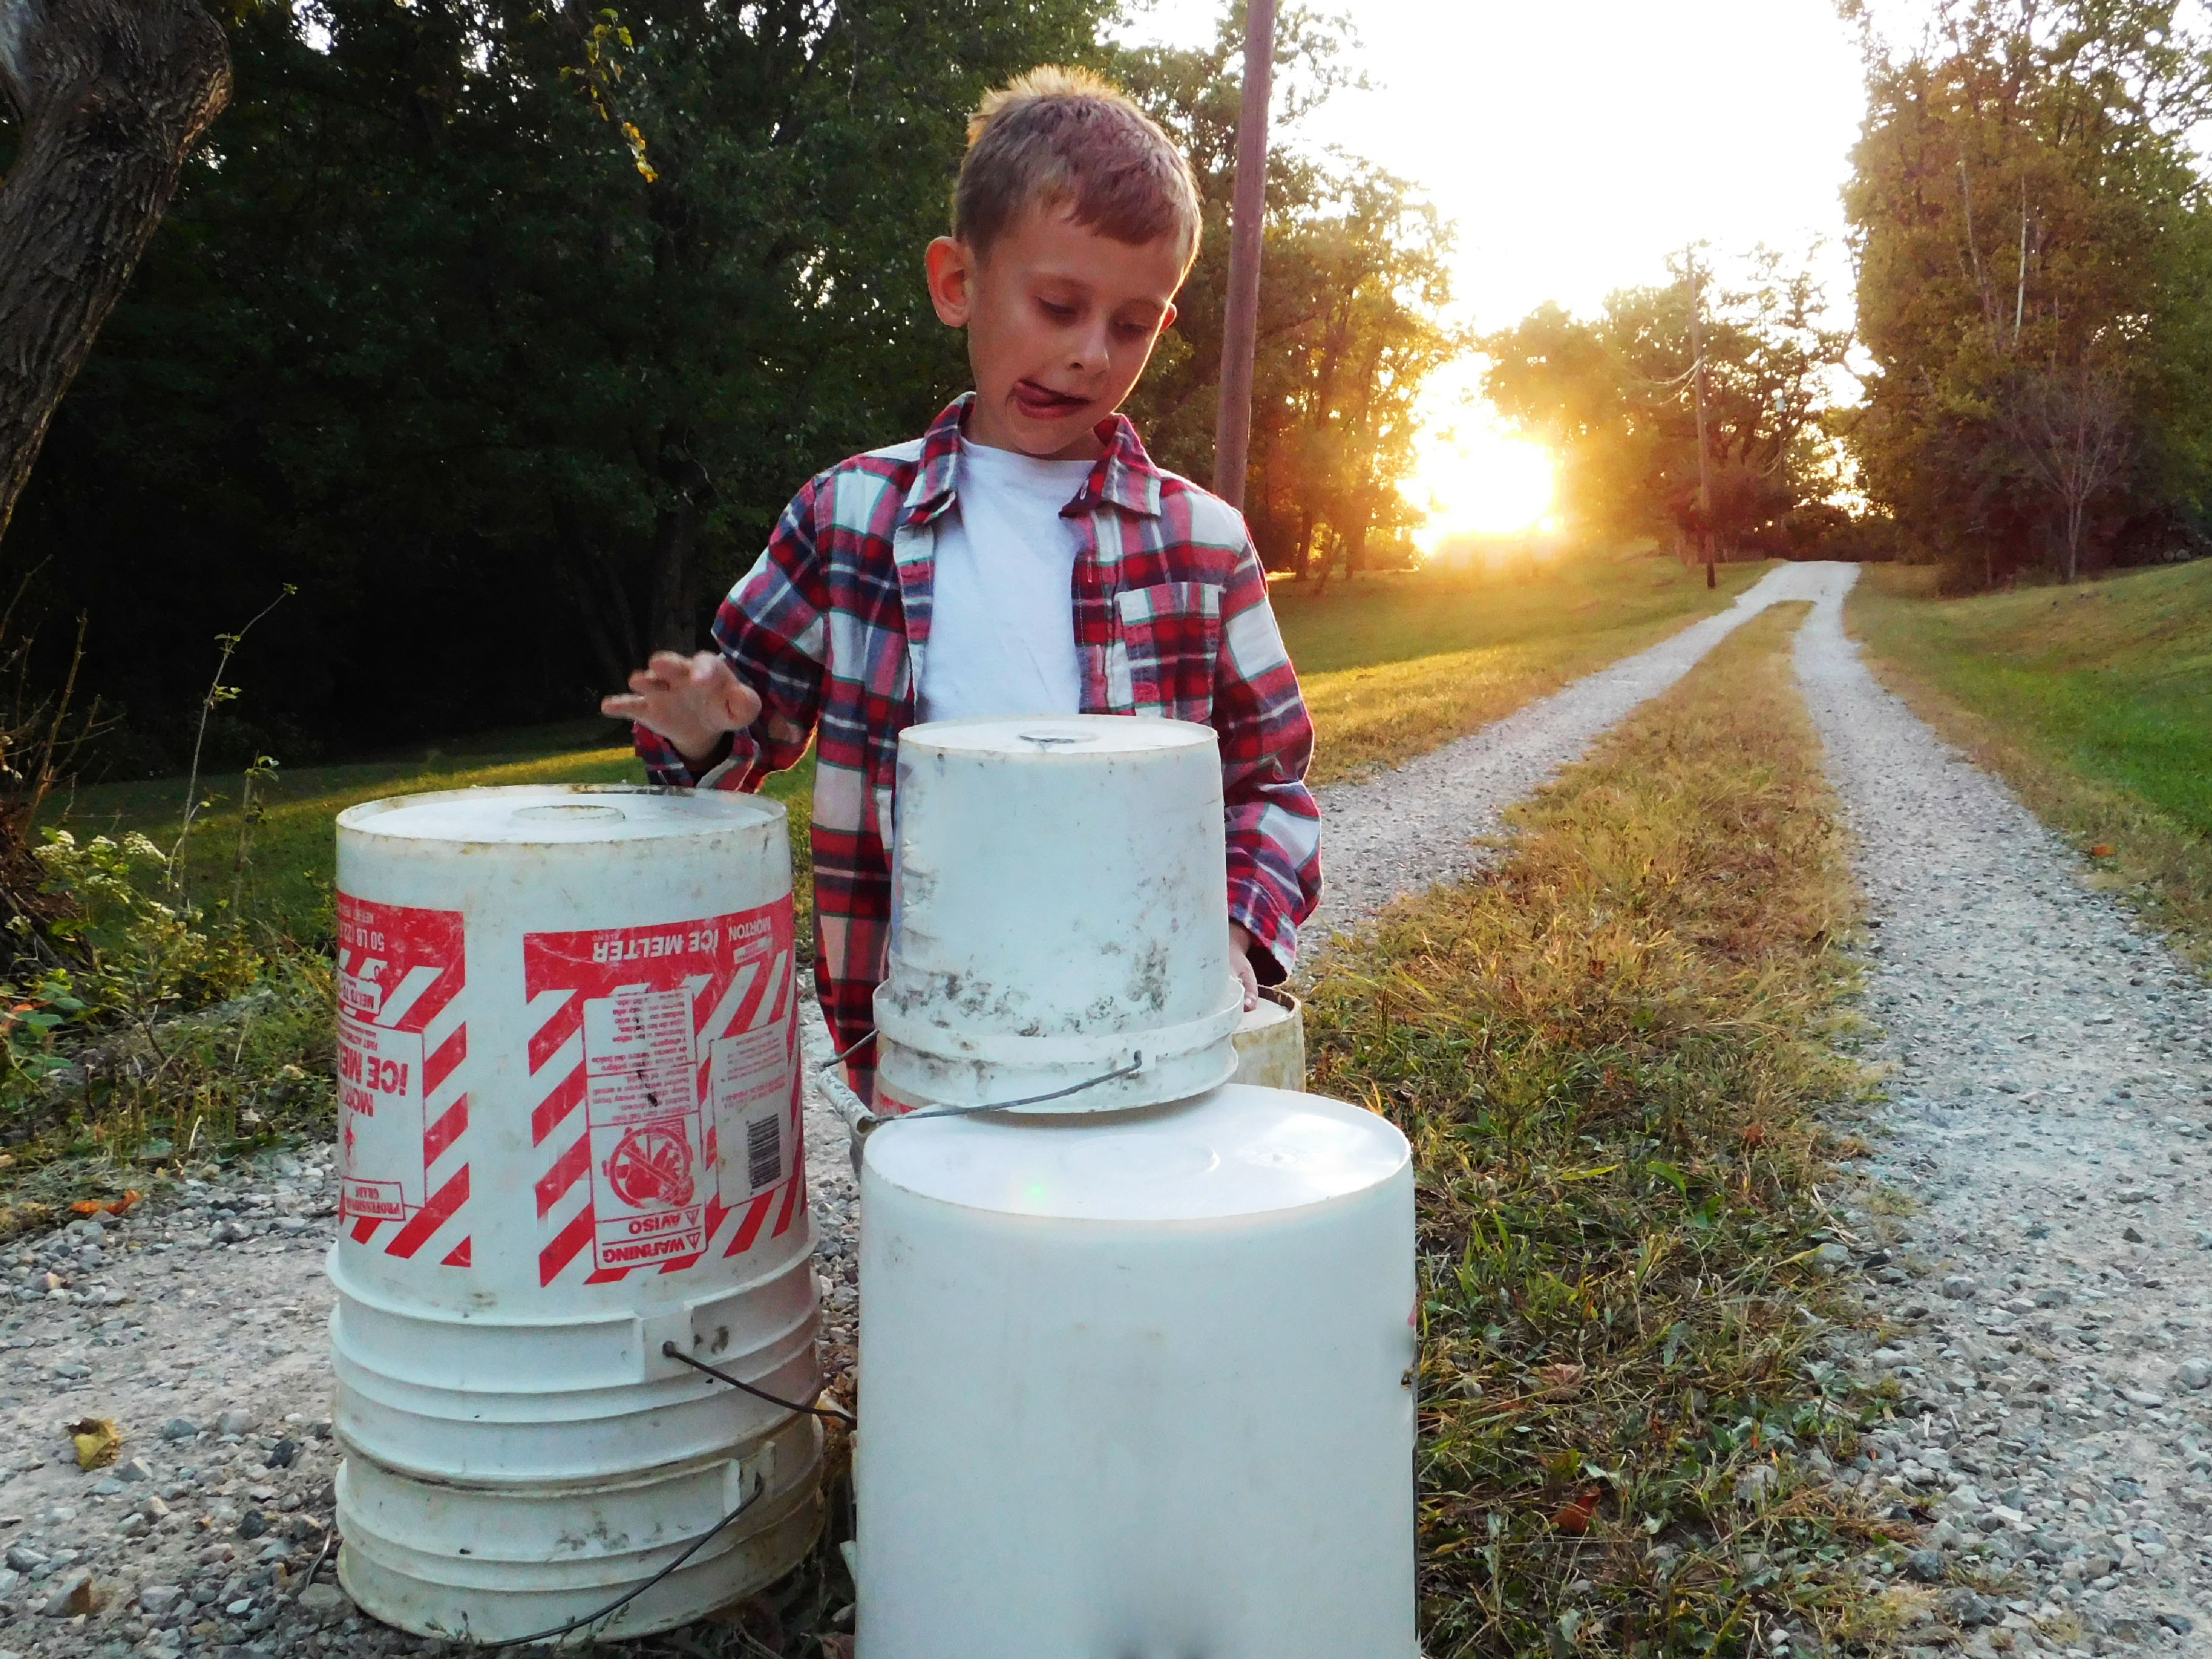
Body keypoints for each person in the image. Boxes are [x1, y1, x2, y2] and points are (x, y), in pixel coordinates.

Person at [602, 65, 1321, 1102]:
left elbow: (1272, 786)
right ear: (957, 283)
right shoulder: (848, 517)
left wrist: (1237, 934)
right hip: (925, 1031)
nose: (1089, 355)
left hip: (1149, 1028)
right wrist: (700, 728)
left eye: (1131, 325)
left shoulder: (1202, 543)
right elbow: (738, 739)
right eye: (1058, 305)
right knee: (944, 1207)